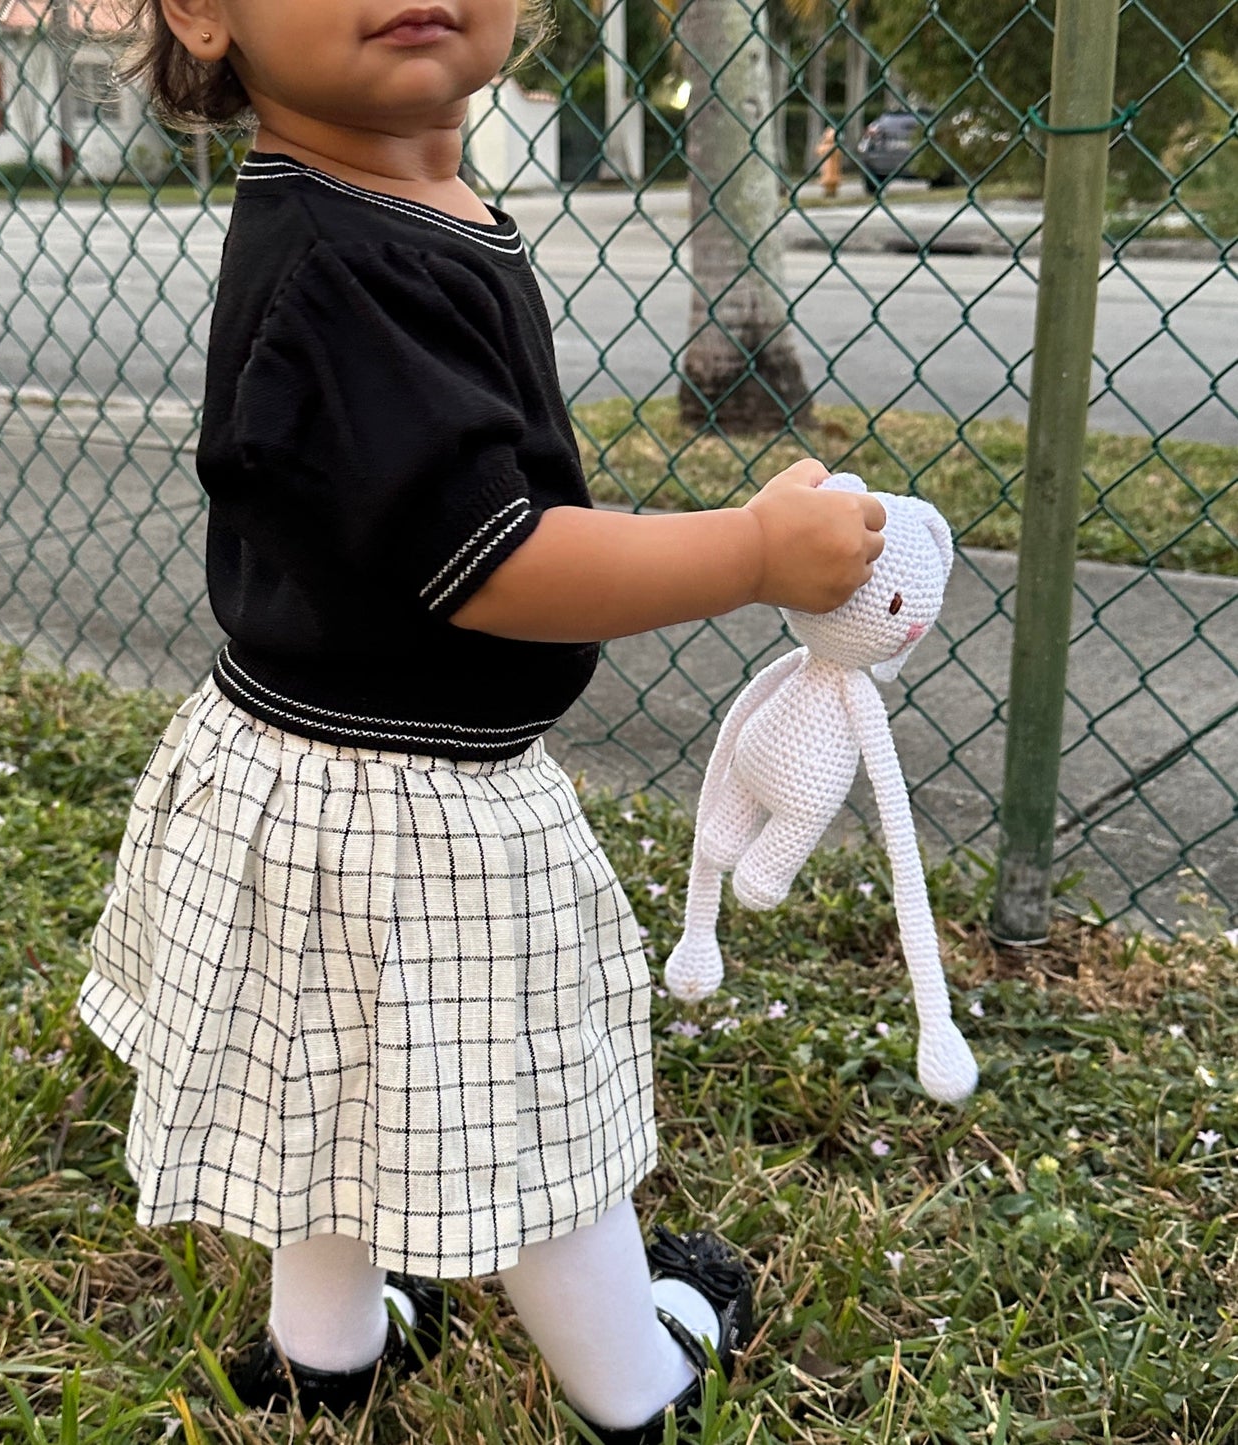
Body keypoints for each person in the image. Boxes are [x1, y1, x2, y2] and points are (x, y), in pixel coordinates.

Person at [76, 1, 887, 1440]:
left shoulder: (368, 201)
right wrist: (750, 554)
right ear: (203, 12)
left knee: (320, 1089)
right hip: (413, 807)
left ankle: (322, 1356)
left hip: (294, 762)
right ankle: (632, 1382)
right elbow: (496, 560)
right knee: (535, 1124)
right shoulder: (352, 262)